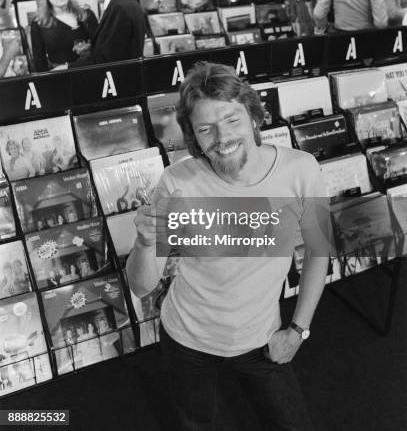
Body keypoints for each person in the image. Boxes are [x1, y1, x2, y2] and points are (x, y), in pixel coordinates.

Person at [126, 61, 330, 431]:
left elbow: (319, 250)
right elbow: (141, 286)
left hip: (262, 337)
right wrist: (143, 242)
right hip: (187, 338)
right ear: (194, 137)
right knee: (194, 423)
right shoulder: (177, 182)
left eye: (232, 120)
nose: (222, 138)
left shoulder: (302, 170)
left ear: (253, 116)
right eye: (206, 129)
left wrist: (299, 330)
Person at [30, 0, 98, 71]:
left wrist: (90, 49)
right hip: (59, 79)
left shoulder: (86, 15)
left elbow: (101, 51)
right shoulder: (39, 23)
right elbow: (40, 63)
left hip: (89, 73)